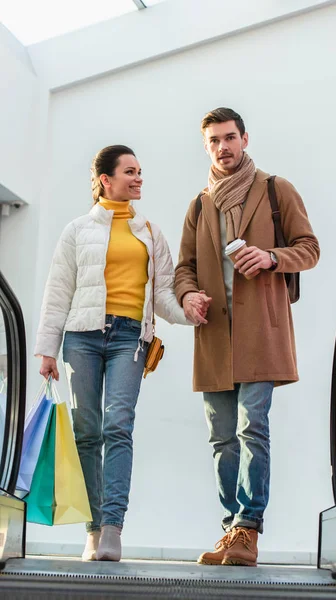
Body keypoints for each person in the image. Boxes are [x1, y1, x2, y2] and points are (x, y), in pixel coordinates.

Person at [35, 145, 201, 562]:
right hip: (81, 337)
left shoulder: (150, 232)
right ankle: (92, 529)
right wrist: (46, 350)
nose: (138, 178)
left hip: (131, 337)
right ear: (105, 179)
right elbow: (58, 293)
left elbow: (161, 294)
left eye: (140, 171)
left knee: (118, 427)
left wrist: (188, 311)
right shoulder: (77, 231)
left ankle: (113, 527)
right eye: (130, 172)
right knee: (86, 432)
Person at [175, 108, 320, 567]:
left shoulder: (277, 190)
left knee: (251, 427)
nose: (224, 147)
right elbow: (184, 268)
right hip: (215, 335)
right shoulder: (200, 204)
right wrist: (187, 295)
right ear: (206, 147)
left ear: (245, 138)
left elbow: (310, 249)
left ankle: (247, 529)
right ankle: (229, 529)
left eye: (230, 137)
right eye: (215, 140)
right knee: (221, 438)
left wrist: (272, 257)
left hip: (262, 332)